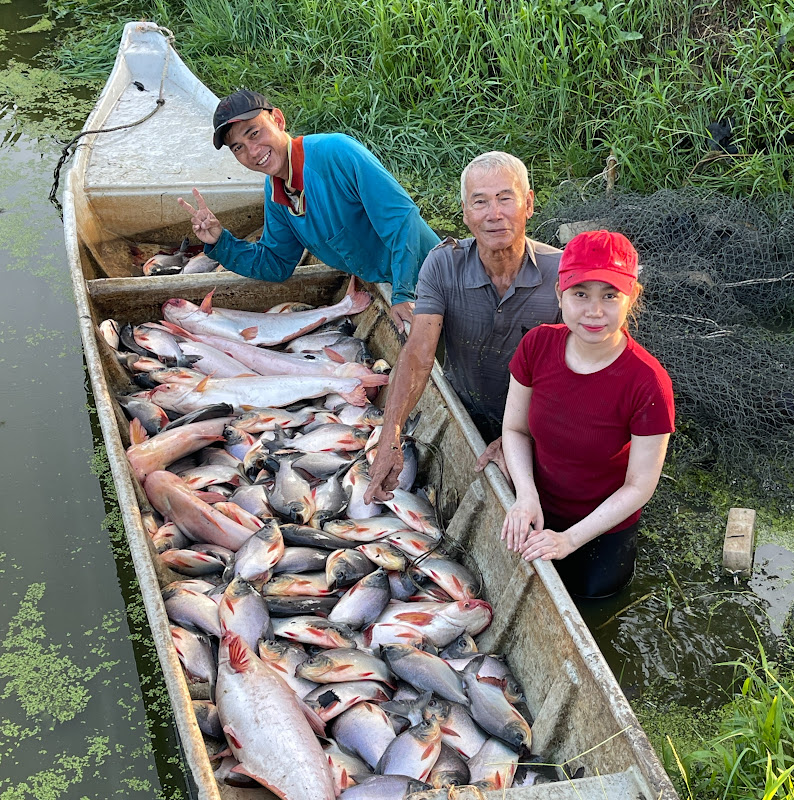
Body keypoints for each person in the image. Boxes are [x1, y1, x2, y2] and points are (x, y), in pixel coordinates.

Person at [364, 151, 562, 504]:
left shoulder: (561, 275)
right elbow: (419, 355)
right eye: (480, 202)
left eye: (505, 198)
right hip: (466, 404)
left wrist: (522, 434)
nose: (494, 214)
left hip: (542, 421)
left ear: (529, 204)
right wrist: (390, 433)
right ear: (466, 212)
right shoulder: (443, 264)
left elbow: (576, 376)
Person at [500, 229, 675, 599]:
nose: (595, 311)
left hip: (603, 525)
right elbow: (514, 430)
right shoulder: (537, 344)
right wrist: (525, 496)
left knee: (596, 597)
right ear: (560, 294)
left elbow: (639, 486)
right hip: (539, 502)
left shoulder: (649, 384)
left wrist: (568, 540)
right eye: (581, 294)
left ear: (631, 299)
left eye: (610, 296)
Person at [178, 89, 440, 331]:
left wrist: (404, 293)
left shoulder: (337, 153)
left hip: (433, 276)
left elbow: (402, 221)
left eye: (254, 133)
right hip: (387, 285)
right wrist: (221, 241)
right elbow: (276, 263)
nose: (253, 151)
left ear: (278, 120)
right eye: (238, 148)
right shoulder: (276, 190)